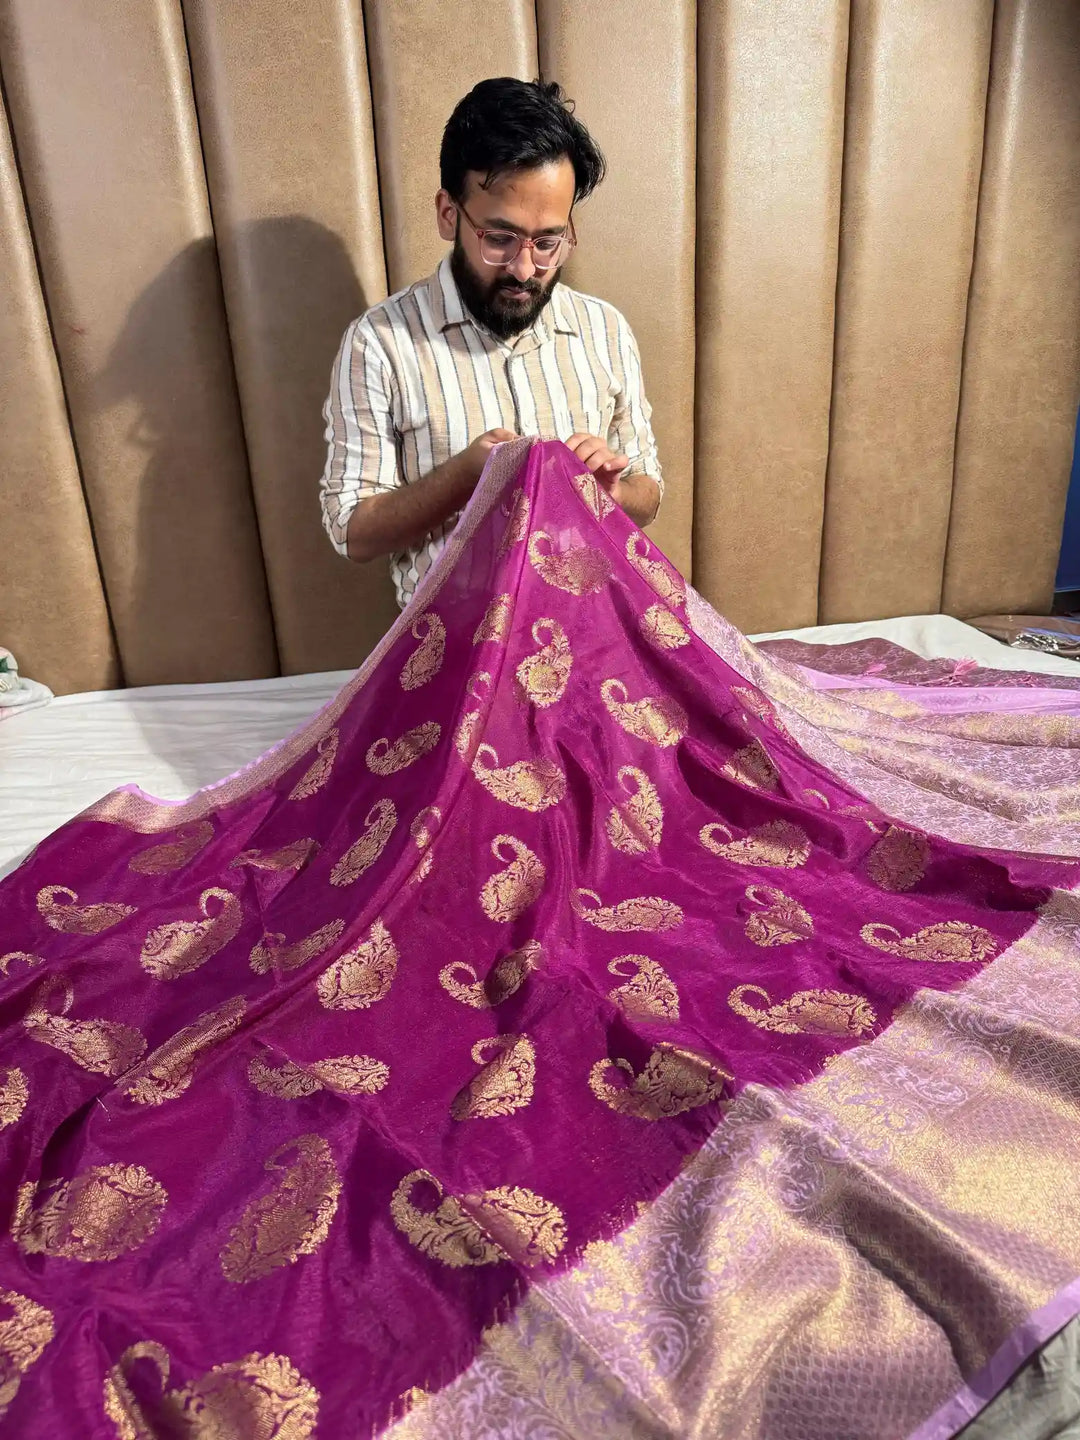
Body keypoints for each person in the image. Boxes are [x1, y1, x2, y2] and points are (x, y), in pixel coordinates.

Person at [319, 76, 664, 609]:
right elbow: (352, 532)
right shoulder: (379, 344)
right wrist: (466, 476)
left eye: (547, 241)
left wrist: (610, 494)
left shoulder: (605, 330)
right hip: (453, 643)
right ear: (448, 214)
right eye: (499, 238)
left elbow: (648, 491)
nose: (525, 269)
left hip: (595, 628)